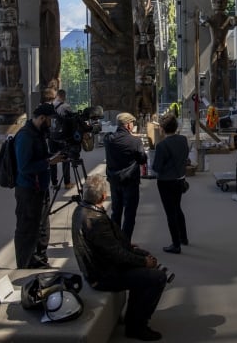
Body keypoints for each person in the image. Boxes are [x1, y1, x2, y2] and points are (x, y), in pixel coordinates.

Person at [72, 174, 167, 341]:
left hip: (99, 265)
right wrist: (142, 261)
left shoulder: (80, 209)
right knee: (157, 278)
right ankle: (137, 326)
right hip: (103, 275)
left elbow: (108, 245)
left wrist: (130, 248)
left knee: (141, 258)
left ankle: (133, 318)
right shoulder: (96, 221)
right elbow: (117, 255)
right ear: (103, 196)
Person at [14, 103, 66, 269]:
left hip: (40, 187)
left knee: (42, 225)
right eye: (50, 120)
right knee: (28, 227)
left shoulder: (38, 134)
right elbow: (24, 167)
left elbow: (41, 156)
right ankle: (27, 261)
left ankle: (40, 258)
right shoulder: (25, 136)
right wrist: (49, 161)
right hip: (28, 190)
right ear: (42, 118)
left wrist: (53, 157)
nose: (52, 124)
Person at [104, 112, 148, 241]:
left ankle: (116, 240)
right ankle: (126, 241)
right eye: (132, 123)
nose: (133, 125)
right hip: (130, 181)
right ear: (128, 125)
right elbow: (142, 160)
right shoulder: (135, 141)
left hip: (114, 181)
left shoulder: (108, 139)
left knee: (116, 212)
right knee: (129, 214)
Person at [151, 113, 189, 254]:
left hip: (166, 182)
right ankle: (183, 237)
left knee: (170, 213)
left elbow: (156, 167)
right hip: (180, 179)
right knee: (177, 208)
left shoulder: (162, 145)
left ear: (162, 128)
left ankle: (176, 244)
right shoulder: (183, 139)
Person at [49, 89, 74, 189]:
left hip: (52, 137)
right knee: (65, 159)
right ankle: (67, 183)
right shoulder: (66, 107)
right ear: (64, 96)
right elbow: (71, 122)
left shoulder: (50, 106)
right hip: (63, 138)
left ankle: (54, 183)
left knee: (52, 159)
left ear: (56, 95)